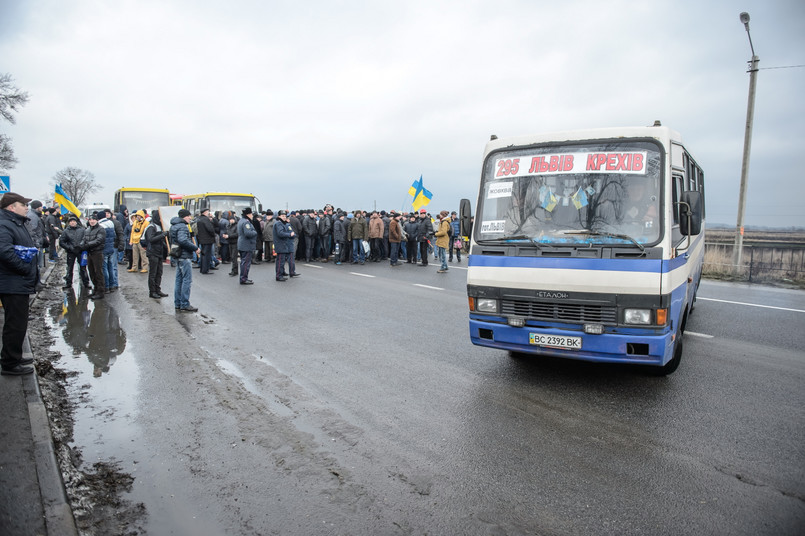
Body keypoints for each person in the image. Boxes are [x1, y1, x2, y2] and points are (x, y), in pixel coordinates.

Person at [0, 192, 38, 375]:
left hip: (16, 280)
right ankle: (10, 364)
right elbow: (5, 251)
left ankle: (14, 355)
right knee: (15, 323)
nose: (26, 207)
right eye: (23, 204)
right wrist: (24, 268)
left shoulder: (15, 222)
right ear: (11, 207)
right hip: (12, 281)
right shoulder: (4, 224)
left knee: (18, 322)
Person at [170, 209, 200, 312]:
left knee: (178, 280)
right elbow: (183, 240)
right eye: (188, 216)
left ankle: (178, 303)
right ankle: (185, 303)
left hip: (177, 255)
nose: (190, 218)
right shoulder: (182, 227)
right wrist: (195, 248)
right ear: (184, 217)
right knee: (187, 280)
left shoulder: (174, 225)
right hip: (184, 256)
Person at [79, 212, 107, 300]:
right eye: (90, 220)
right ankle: (95, 289)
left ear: (97, 220)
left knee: (98, 272)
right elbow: (84, 239)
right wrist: (81, 245)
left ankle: (101, 291)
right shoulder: (87, 230)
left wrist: (88, 245)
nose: (92, 221)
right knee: (91, 272)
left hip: (97, 253)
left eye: (94, 219)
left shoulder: (101, 229)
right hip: (89, 253)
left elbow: (99, 240)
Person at [59, 215, 91, 290]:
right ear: (69, 223)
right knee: (70, 268)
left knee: (83, 268)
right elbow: (62, 242)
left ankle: (86, 283)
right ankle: (68, 283)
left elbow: (86, 239)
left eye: (74, 221)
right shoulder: (66, 231)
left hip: (80, 251)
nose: (72, 223)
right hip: (71, 252)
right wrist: (69, 247)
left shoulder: (82, 230)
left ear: (76, 222)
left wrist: (82, 246)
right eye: (71, 222)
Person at [143, 210, 169, 299]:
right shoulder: (151, 227)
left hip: (159, 252)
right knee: (153, 273)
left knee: (159, 272)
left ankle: (158, 289)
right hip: (153, 252)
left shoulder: (159, 226)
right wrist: (163, 235)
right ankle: (152, 291)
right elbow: (151, 239)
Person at [272, 210, 298, 282]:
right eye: (282, 216)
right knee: (280, 261)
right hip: (281, 245)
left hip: (283, 244)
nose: (284, 217)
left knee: (281, 261)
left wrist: (291, 234)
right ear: (279, 216)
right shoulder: (278, 223)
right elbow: (280, 233)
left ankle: (280, 274)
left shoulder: (282, 223)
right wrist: (289, 235)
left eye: (284, 216)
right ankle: (279, 275)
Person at [237, 207, 258, 285]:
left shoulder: (241, 220)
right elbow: (248, 233)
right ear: (248, 214)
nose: (252, 215)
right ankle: (244, 278)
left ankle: (243, 277)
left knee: (243, 262)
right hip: (247, 245)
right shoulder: (246, 222)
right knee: (246, 263)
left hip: (242, 244)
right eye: (251, 214)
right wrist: (255, 232)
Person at [25, 200, 48, 269]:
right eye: (41, 206)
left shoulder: (35, 215)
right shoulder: (33, 216)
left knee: (38, 264)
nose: (42, 208)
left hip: (39, 242)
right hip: (36, 244)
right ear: (37, 207)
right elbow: (32, 231)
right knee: (37, 265)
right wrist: (36, 244)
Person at [196, 207, 216, 274]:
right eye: (208, 212)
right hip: (208, 239)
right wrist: (213, 234)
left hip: (202, 239)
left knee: (203, 254)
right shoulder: (206, 219)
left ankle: (202, 268)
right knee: (207, 255)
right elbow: (210, 229)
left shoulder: (199, 219)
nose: (209, 213)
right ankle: (205, 269)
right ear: (205, 212)